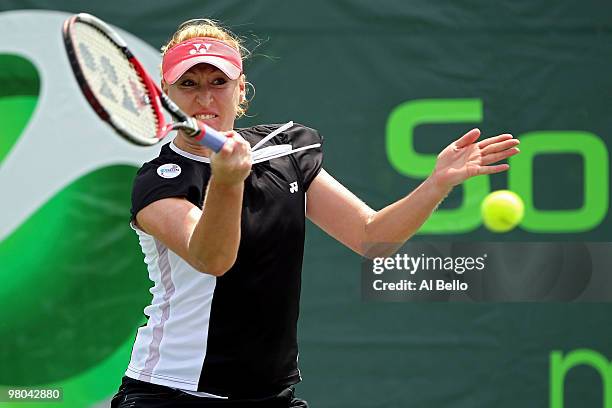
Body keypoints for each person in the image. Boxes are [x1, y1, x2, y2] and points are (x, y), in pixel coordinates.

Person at [111, 18, 520, 408]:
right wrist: (228, 180)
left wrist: (436, 183)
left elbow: (371, 237)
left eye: (219, 82)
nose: (204, 97)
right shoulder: (160, 182)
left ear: (241, 90)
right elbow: (213, 258)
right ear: (167, 96)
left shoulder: (286, 152)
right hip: (172, 393)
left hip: (270, 394)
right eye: (189, 84)